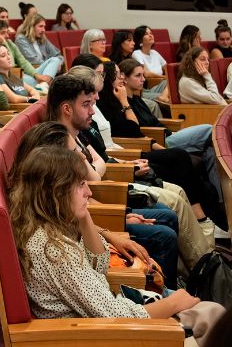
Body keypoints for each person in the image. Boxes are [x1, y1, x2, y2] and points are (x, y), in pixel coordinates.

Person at [8, 144, 212, 329]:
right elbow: (115, 316)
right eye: (81, 184)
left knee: (210, 313)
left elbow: (100, 265)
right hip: (99, 334)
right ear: (56, 192)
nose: (89, 192)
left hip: (109, 315)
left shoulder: (53, 225)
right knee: (212, 317)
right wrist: (173, 303)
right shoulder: (52, 248)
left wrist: (84, 214)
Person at [67, 66, 216, 269]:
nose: (93, 106)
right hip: (111, 189)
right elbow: (92, 178)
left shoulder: (82, 125)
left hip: (116, 169)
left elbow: (98, 163)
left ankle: (203, 261)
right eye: (87, 102)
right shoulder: (65, 137)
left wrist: (116, 166)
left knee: (182, 178)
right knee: (171, 212)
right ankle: (203, 268)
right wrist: (120, 215)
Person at [46, 75, 182, 286]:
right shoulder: (60, 142)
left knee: (167, 215)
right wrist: (121, 219)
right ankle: (162, 290)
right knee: (165, 234)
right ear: (67, 109)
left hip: (95, 210)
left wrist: (126, 213)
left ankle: (168, 283)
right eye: (86, 104)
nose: (92, 111)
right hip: (90, 222)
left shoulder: (76, 134)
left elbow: (94, 175)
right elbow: (87, 186)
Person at [97, 60, 225, 225]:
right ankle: (205, 218)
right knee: (210, 130)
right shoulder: (112, 104)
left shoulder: (133, 99)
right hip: (139, 148)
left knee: (209, 153)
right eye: (118, 74)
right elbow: (134, 130)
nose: (121, 77)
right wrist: (125, 103)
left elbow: (151, 125)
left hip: (158, 139)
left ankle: (219, 215)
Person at [0, 19, 52, 90]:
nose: (7, 36)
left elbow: (23, 62)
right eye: (3, 33)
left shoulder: (10, 43)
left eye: (7, 32)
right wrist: (3, 42)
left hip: (21, 74)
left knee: (54, 60)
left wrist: (36, 75)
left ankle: (43, 84)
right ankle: (44, 84)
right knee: (36, 81)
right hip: (10, 78)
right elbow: (10, 64)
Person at [131, 25, 169, 101]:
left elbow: (167, 68)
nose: (150, 35)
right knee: (170, 82)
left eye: (151, 33)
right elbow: (146, 73)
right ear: (140, 39)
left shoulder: (154, 53)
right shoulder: (137, 53)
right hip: (149, 86)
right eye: (146, 34)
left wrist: (167, 76)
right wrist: (164, 77)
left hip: (162, 83)